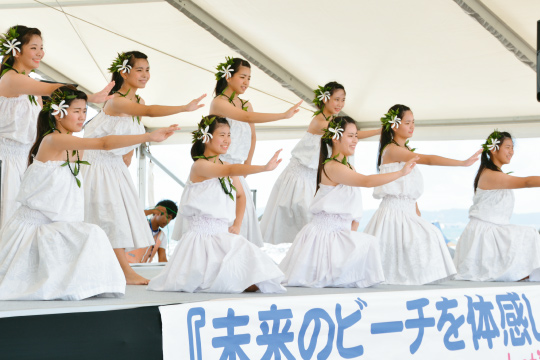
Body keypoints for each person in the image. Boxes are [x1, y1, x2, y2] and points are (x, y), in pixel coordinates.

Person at [0, 86, 179, 300]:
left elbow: (104, 146)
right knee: (93, 235)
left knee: (93, 234)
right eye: (77, 111)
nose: (82, 116)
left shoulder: (76, 147)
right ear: (58, 112)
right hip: (34, 228)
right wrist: (148, 136)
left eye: (85, 111)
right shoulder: (53, 140)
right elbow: (103, 143)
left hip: (57, 225)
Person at [81, 51, 205, 285]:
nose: (145, 75)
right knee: (107, 218)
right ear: (124, 72)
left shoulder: (138, 101)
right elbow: (147, 114)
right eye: (140, 70)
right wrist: (183, 108)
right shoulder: (116, 100)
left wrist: (128, 154)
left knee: (114, 219)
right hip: (98, 165)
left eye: (148, 70)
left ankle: (113, 271)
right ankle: (124, 272)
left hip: (115, 166)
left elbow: (134, 129)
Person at [148, 115, 285, 293]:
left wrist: (237, 224)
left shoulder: (226, 165)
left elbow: (241, 196)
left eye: (229, 135)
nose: (227, 140)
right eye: (222, 135)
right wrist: (263, 168)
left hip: (223, 237)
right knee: (228, 283)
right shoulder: (200, 166)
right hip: (201, 240)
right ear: (207, 137)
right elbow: (227, 170)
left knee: (260, 278)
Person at [280, 116, 416, 287]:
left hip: (340, 233)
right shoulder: (333, 166)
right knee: (367, 246)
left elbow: (352, 205)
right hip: (325, 236)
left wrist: (352, 231)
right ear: (335, 137)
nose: (355, 141)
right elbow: (367, 181)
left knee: (368, 244)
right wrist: (400, 173)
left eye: (356, 136)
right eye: (350, 136)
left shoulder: (347, 167)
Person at [0, 25, 114, 227]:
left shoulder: (29, 84)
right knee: (7, 218)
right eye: (34, 47)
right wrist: (89, 97)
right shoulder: (10, 79)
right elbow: (54, 89)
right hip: (5, 161)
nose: (40, 53)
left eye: (41, 47)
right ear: (16, 51)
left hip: (23, 160)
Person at [364, 104, 481, 285]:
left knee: (430, 235)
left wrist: (416, 210)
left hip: (407, 212)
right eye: (407, 122)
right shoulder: (392, 150)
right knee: (425, 240)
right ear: (395, 125)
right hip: (393, 214)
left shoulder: (402, 151)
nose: (412, 126)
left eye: (413, 122)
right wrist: (462, 163)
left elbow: (408, 188)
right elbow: (429, 159)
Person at [260, 82, 380, 244]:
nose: (340, 104)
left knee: (310, 224)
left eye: (343, 100)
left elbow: (351, 135)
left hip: (315, 178)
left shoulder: (334, 122)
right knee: (296, 224)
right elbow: (352, 134)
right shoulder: (319, 122)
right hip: (299, 178)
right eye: (336, 99)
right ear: (325, 99)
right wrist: (381, 131)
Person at [201, 56, 302, 246]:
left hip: (238, 170)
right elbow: (245, 117)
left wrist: (247, 165)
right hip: (219, 167)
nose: (246, 82)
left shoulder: (247, 104)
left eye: (249, 78)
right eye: (242, 77)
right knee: (222, 222)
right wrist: (282, 115)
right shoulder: (219, 102)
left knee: (241, 223)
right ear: (228, 76)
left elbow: (252, 136)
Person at [454, 130, 540, 281]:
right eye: (508, 147)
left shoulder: (495, 173)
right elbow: (526, 182)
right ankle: (522, 276)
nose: (511, 152)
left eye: (512, 148)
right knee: (529, 234)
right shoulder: (491, 175)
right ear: (494, 149)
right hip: (485, 233)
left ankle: (523, 275)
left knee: (529, 234)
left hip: (495, 230)